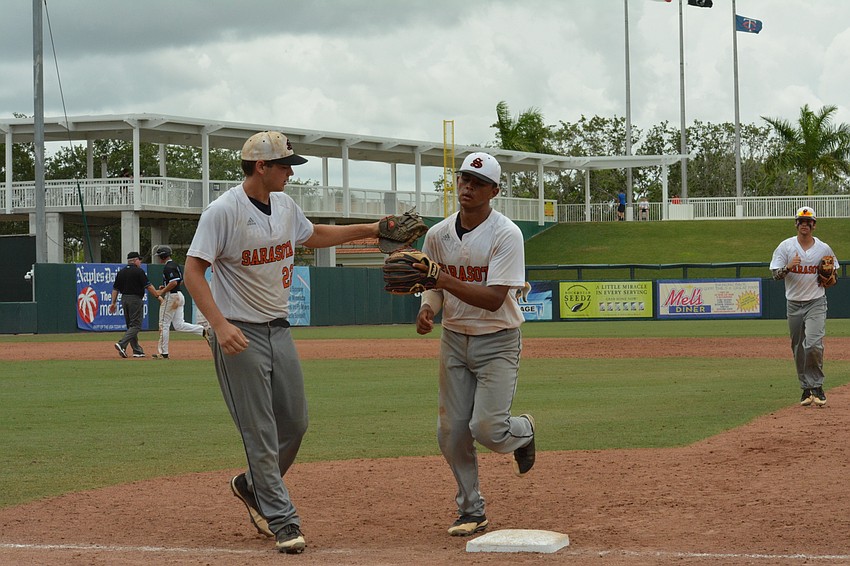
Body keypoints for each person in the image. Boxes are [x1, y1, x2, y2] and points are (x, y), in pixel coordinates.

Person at [183, 131, 385, 555]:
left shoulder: (286, 206)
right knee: (259, 430)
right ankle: (283, 519)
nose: (291, 172)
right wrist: (218, 326)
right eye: (285, 165)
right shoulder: (223, 211)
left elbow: (314, 236)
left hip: (279, 328)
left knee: (294, 423)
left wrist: (371, 229)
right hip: (238, 332)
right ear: (261, 167)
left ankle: (252, 485)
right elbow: (193, 272)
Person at [415, 151, 535, 537]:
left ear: (494, 191)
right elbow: (433, 288)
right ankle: (471, 509)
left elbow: (493, 297)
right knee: (451, 431)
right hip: (454, 339)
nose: (468, 187)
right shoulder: (437, 235)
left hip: (497, 340)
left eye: (478, 183)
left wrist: (443, 283)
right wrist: (428, 308)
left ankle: (525, 431)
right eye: (464, 179)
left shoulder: (506, 234)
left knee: (488, 429)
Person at [769, 206, 839, 407]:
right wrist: (789, 267)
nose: (805, 225)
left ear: (814, 225)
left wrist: (829, 278)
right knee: (798, 347)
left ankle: (817, 385)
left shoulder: (823, 248)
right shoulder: (786, 247)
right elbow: (775, 275)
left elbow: (834, 274)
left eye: (809, 222)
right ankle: (806, 389)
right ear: (796, 224)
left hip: (816, 301)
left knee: (814, 343)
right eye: (801, 221)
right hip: (794, 303)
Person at [152, 245, 209, 359]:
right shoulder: (175, 265)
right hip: (179, 295)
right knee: (179, 325)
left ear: (163, 256)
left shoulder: (168, 267)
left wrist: (162, 291)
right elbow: (180, 281)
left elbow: (173, 283)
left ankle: (164, 353)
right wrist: (166, 286)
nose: (158, 258)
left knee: (164, 324)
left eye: (159, 256)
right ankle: (203, 330)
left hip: (172, 296)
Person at [109, 251, 160, 358]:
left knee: (130, 326)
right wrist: (157, 296)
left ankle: (137, 350)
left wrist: (113, 303)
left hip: (124, 299)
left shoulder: (121, 272)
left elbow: (115, 289)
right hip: (135, 299)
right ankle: (122, 343)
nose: (140, 262)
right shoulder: (139, 271)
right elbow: (149, 286)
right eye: (139, 260)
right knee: (136, 325)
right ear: (135, 260)